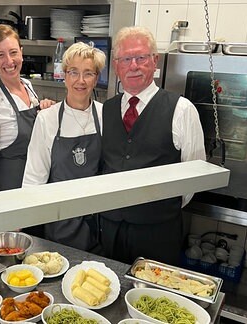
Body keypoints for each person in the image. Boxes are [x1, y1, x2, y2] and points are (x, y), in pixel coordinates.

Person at [100, 26, 206, 265]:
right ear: (117, 66)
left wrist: (160, 207)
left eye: (141, 57)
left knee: (153, 299)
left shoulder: (181, 109)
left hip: (158, 232)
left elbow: (194, 175)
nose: (133, 66)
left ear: (154, 61)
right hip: (110, 227)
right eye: (126, 59)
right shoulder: (106, 109)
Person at [22, 42, 106, 250]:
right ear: (64, 75)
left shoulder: (106, 116)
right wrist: (25, 225)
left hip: (98, 221)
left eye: (88, 73)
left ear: (96, 78)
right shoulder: (47, 119)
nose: (80, 81)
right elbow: (33, 178)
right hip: (59, 221)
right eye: (74, 72)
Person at [0, 24, 53, 194]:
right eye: (0, 55)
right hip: (11, 191)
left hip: (38, 184)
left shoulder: (27, 86)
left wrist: (46, 109)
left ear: (21, 51)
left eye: (13, 52)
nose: (9, 61)